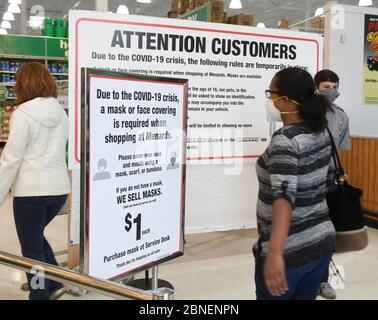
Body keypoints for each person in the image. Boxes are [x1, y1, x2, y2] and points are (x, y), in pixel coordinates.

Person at [253, 67, 336, 300]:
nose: (269, 99)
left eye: (271, 93)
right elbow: (329, 180)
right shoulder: (320, 130)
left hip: (290, 252)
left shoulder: (285, 139)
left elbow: (284, 196)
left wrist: (276, 253)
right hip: (321, 244)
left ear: (286, 101)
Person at [0, 62, 71, 300]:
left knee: (30, 248)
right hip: (58, 189)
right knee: (35, 238)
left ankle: (39, 294)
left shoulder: (22, 113)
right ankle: (55, 281)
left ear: (23, 84)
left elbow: (11, 159)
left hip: (31, 192)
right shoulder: (61, 112)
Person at [315, 69, 351, 300]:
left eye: (334, 86)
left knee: (327, 236)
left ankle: (322, 281)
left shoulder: (341, 116)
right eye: (326, 87)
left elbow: (340, 151)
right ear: (316, 88)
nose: (331, 91)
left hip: (329, 184)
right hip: (305, 182)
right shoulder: (303, 113)